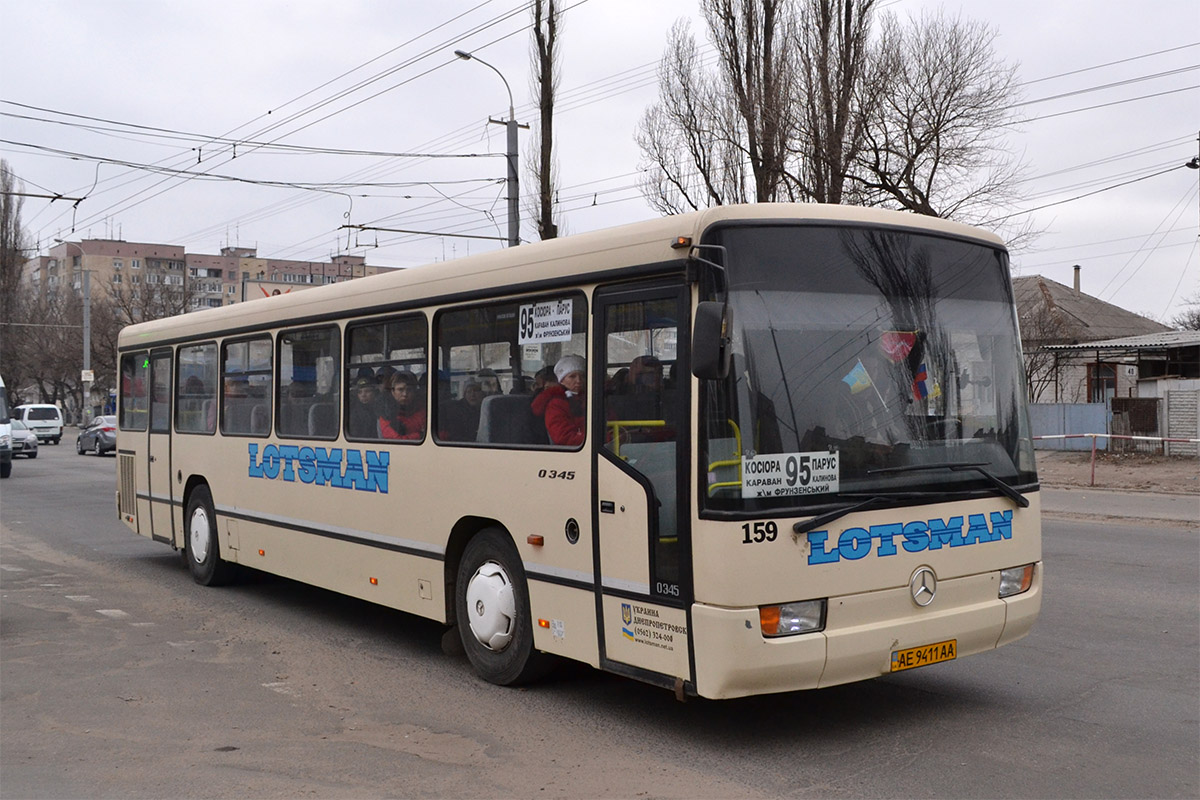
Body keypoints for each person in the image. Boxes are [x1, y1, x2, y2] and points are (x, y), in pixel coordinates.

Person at [532, 355, 586, 446]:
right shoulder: (556, 403)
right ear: (561, 380)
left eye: (583, 376)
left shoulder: (593, 397)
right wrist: (600, 440)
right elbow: (563, 437)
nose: (578, 380)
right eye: (572, 376)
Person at [379, 371, 426, 440]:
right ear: (393, 391)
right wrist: (421, 435)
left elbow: (441, 433)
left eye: (409, 390)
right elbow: (397, 439)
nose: (405, 394)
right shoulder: (386, 412)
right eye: (400, 390)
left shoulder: (423, 409)